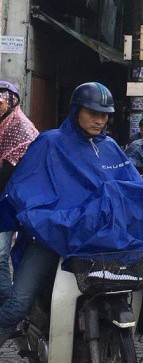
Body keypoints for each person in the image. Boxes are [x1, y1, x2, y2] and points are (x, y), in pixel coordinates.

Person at [0, 82, 143, 349]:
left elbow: (130, 184)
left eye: (104, 115)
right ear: (76, 110)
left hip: (96, 241)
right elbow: (25, 185)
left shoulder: (111, 147)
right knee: (17, 304)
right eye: (93, 113)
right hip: (53, 236)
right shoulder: (50, 142)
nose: (99, 120)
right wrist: (48, 217)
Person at [0, 81, 38, 302]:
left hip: (17, 200)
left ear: (12, 102)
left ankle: (12, 302)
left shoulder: (21, 128)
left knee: (6, 252)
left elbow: (14, 170)